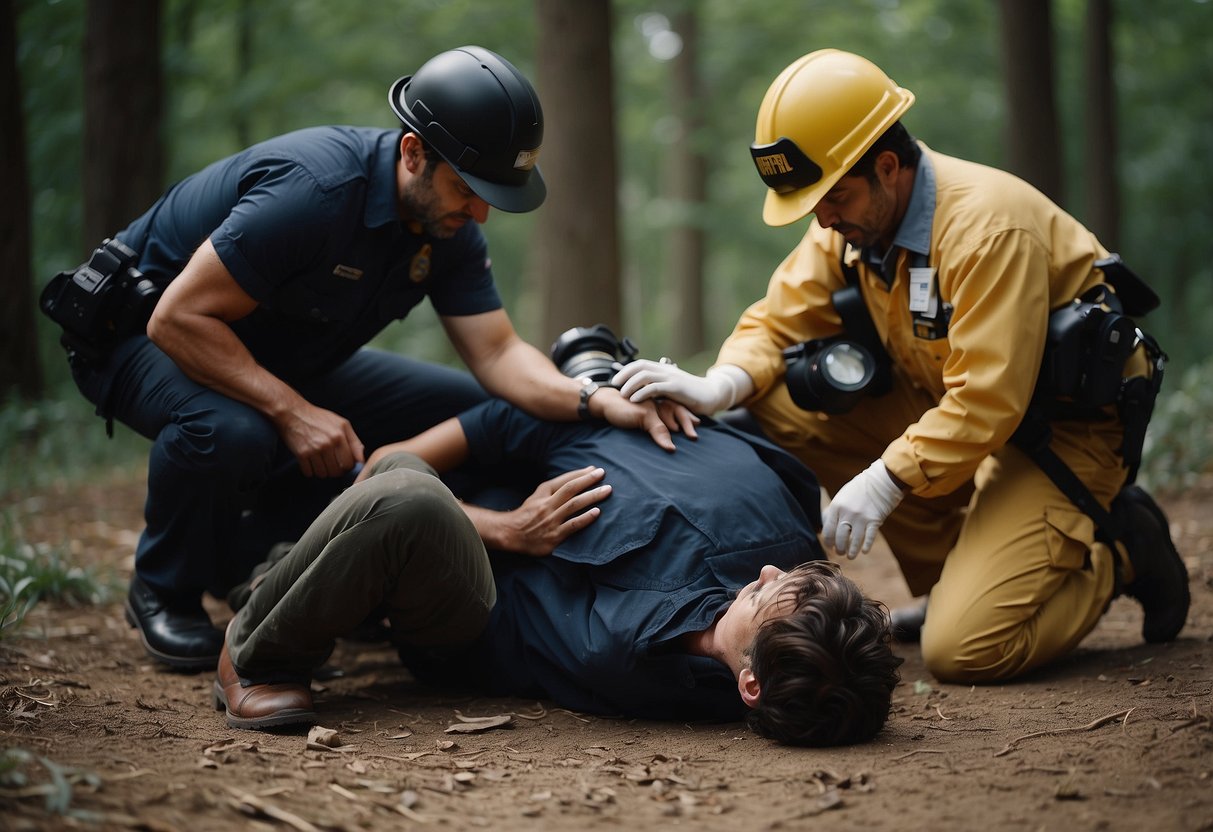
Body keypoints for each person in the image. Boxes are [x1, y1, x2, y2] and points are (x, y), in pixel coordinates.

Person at [45, 46, 691, 672]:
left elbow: (497, 354)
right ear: (413, 153)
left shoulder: (449, 226)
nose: (482, 213)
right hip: (135, 336)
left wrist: (594, 399)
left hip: (274, 353)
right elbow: (177, 319)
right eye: (470, 189)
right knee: (230, 430)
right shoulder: (316, 191)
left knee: (480, 416)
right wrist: (293, 412)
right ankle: (164, 589)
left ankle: (268, 557)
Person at [613, 49, 1190, 684]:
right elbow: (780, 319)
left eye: (833, 198)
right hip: (951, 415)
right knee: (774, 401)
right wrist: (717, 385)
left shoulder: (983, 232)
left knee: (962, 650)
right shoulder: (854, 224)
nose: (822, 218)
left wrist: (884, 477)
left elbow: (986, 402)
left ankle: (1119, 553)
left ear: (888, 166)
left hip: (1061, 434)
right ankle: (960, 577)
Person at [212, 399, 903, 747]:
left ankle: (267, 627)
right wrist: (501, 522)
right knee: (400, 477)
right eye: (793, 574)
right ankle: (260, 642)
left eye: (766, 593)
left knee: (404, 503)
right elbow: (513, 422)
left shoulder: (674, 685)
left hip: (464, 614)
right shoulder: (736, 505)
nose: (766, 568)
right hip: (491, 497)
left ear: (749, 685)